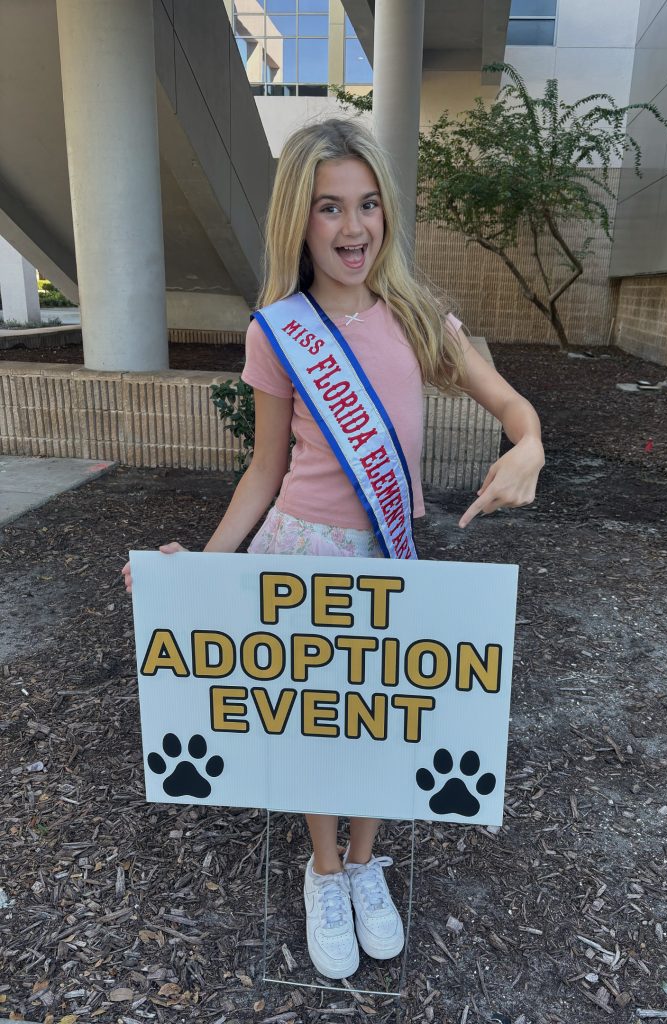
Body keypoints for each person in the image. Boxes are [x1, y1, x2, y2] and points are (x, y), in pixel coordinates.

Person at [122, 117, 544, 981]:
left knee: (382, 724)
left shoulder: (419, 318)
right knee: (321, 728)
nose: (354, 229)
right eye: (329, 209)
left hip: (387, 555)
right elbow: (262, 473)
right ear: (300, 221)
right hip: (300, 554)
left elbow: (511, 407)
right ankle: (324, 869)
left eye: (368, 205)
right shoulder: (279, 331)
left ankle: (363, 863)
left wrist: (529, 446)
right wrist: (200, 570)